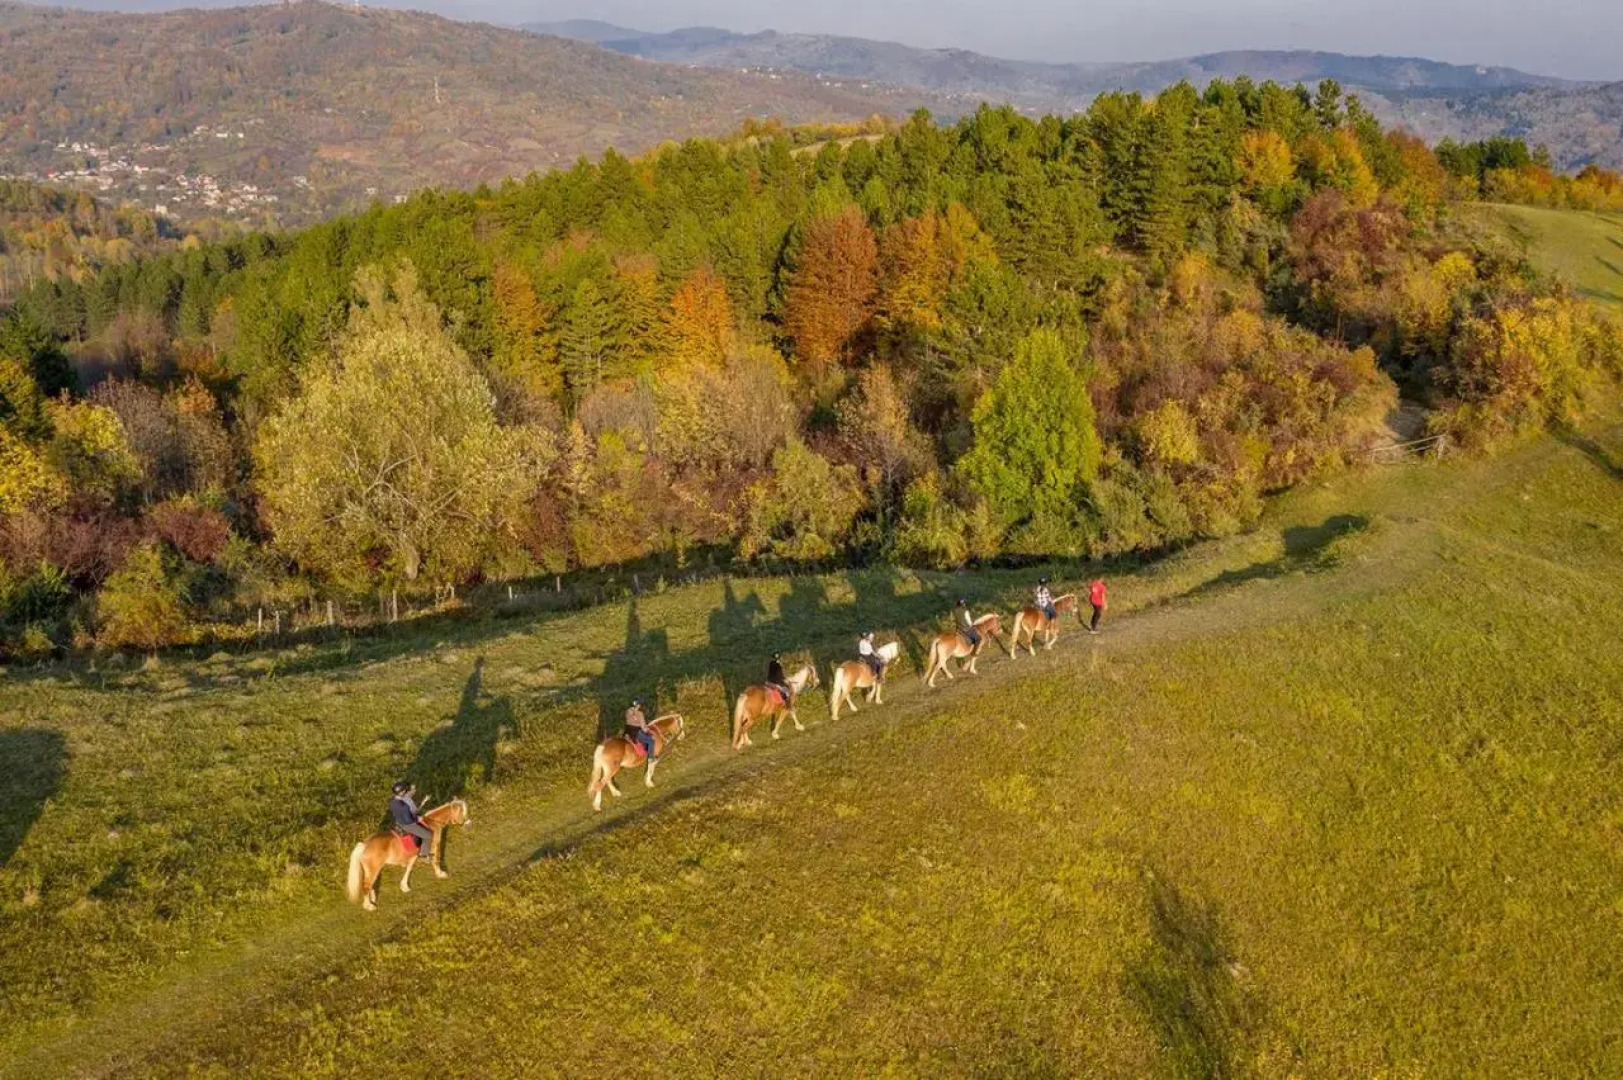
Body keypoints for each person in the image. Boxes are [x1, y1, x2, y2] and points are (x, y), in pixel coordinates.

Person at [389, 781, 434, 861]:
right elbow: (408, 820)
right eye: (404, 791)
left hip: (398, 823)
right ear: (401, 792)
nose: (405, 792)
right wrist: (417, 819)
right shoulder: (404, 806)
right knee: (428, 835)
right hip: (408, 825)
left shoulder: (393, 802)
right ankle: (423, 855)